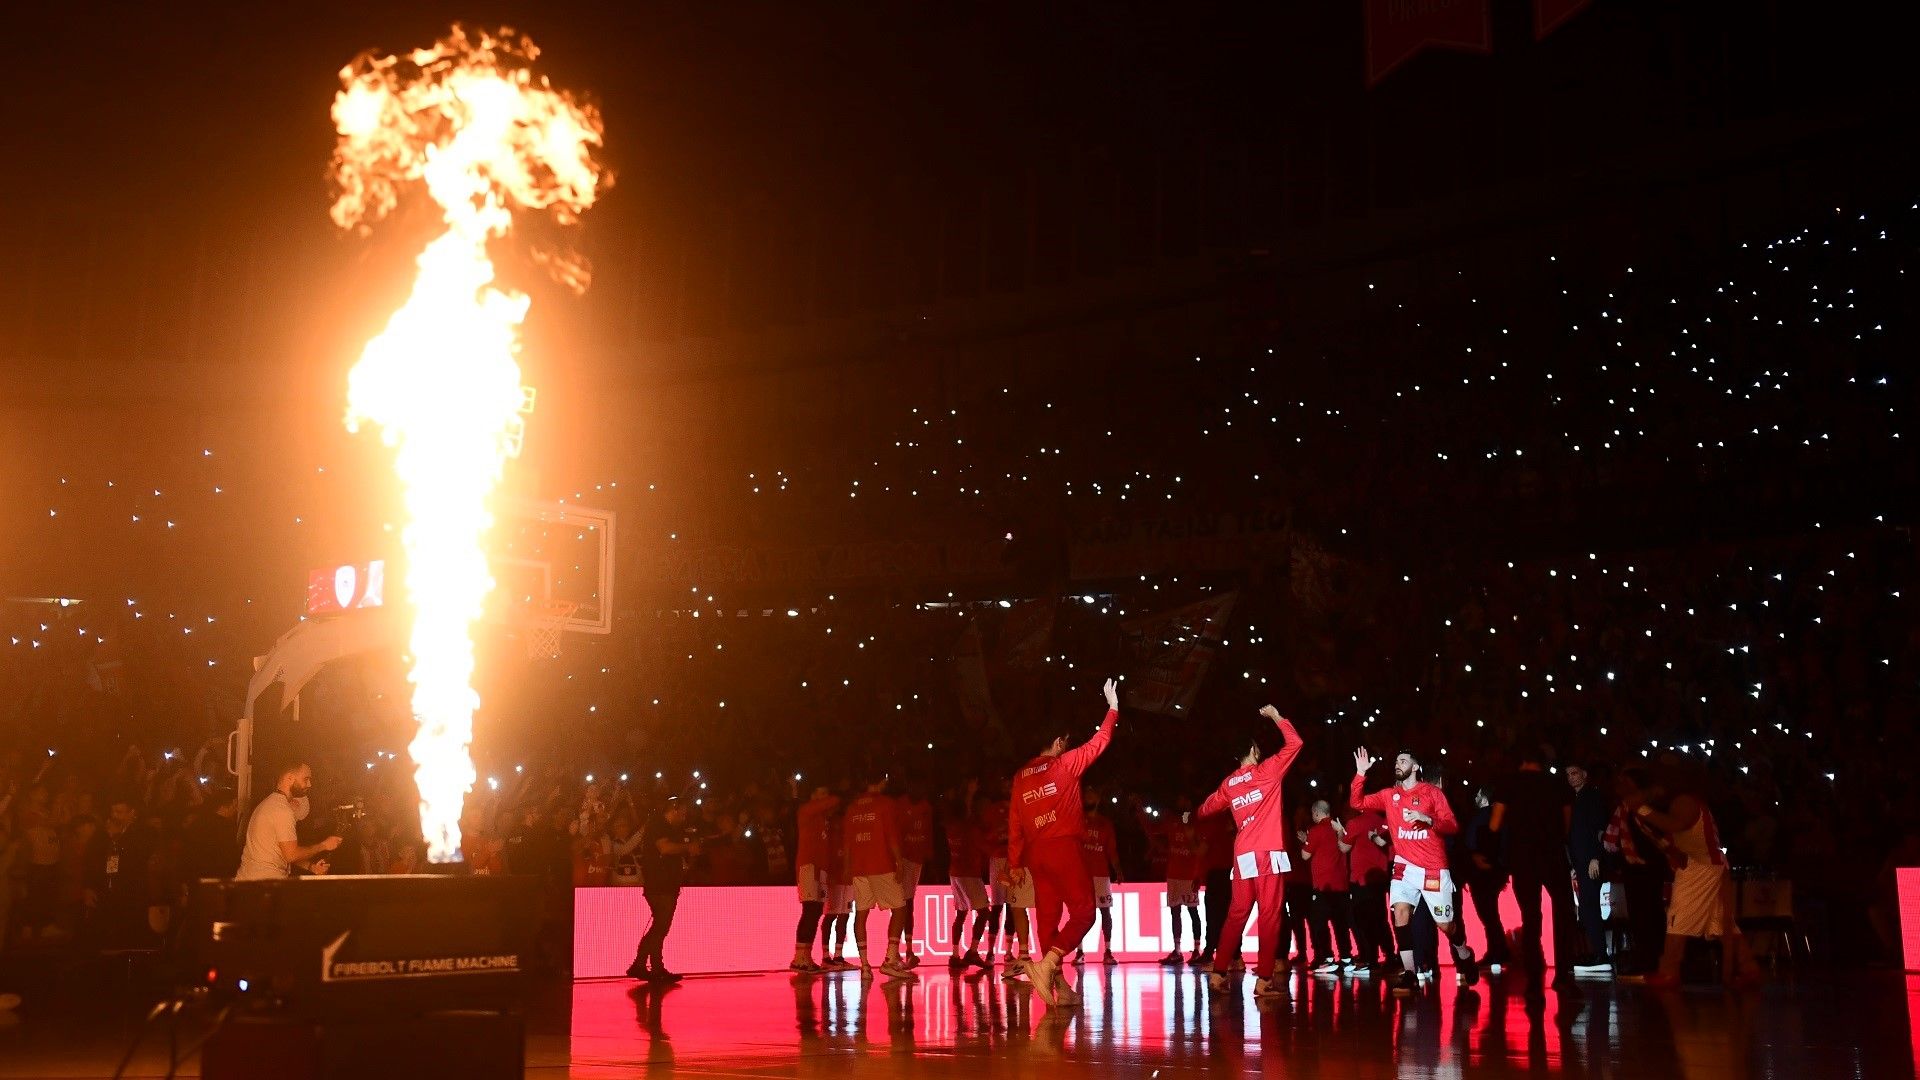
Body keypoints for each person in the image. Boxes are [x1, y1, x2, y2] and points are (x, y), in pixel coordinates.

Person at [1007, 678, 1120, 1006]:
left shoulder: (1019, 776)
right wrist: (1112, 709)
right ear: (1058, 742)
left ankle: (1061, 987)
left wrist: (1014, 865)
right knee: (1085, 913)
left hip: (1034, 855)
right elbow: (1100, 741)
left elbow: (1014, 825)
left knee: (1048, 920)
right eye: (1065, 742)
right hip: (1063, 850)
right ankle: (1049, 964)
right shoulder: (1064, 765)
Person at [1349, 747, 1480, 996]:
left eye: (1403, 760)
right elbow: (1356, 802)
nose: (1398, 764)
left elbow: (1452, 825)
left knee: (1445, 925)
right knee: (1400, 912)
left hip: (1432, 868)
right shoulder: (1390, 795)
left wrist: (1429, 820)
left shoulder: (1432, 793)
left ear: (1416, 767)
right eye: (1396, 760)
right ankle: (1409, 972)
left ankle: (1464, 952)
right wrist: (1360, 774)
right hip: (1404, 866)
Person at [1199, 705, 1305, 1000]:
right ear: (1253, 750)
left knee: (1236, 914)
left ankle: (1219, 973)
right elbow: (1296, 743)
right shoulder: (1268, 770)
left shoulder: (1230, 783)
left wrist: (1193, 814)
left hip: (1243, 855)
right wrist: (1276, 717)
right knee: (1270, 916)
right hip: (1268, 854)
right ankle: (1264, 980)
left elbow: (1207, 808)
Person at [1625, 775, 1757, 989]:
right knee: (1719, 921)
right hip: (1706, 864)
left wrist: (1642, 809)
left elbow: (1677, 825)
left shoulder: (1684, 801)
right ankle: (1748, 967)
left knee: (1679, 914)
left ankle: (1669, 971)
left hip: (1701, 866)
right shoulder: (1687, 800)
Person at [1488, 745, 1580, 990]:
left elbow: (1495, 825)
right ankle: (1563, 973)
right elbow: (1567, 824)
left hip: (1522, 857)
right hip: (1552, 855)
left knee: (1531, 915)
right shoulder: (1558, 784)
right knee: (1563, 912)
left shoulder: (1508, 784)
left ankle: (1533, 973)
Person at [845, 771, 915, 980]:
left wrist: (848, 867)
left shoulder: (852, 807)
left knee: (862, 914)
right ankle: (891, 960)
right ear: (883, 781)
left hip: (859, 867)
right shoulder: (886, 803)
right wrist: (899, 861)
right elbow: (891, 835)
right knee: (900, 909)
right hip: (881, 864)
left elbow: (847, 842)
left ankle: (865, 966)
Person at [1604, 767, 1670, 977]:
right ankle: (1648, 957)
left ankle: (1652, 958)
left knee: (1649, 912)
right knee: (1641, 913)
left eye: (1626, 782)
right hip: (1634, 867)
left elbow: (1656, 835)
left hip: (1649, 865)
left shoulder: (1641, 805)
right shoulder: (1624, 807)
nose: (1621, 786)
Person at [627, 797, 701, 983]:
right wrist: (687, 847)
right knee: (661, 927)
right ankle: (652, 966)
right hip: (660, 885)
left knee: (659, 927)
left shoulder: (668, 828)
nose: (684, 817)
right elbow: (665, 848)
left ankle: (642, 964)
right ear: (673, 810)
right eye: (682, 812)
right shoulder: (658, 825)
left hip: (665, 884)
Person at [236, 762, 341, 881]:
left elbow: (283, 852)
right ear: (290, 778)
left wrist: (310, 867)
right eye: (306, 779)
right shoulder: (281, 810)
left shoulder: (272, 803)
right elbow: (291, 855)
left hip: (253, 880)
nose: (309, 784)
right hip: (263, 884)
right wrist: (324, 845)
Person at [83, 795, 157, 948]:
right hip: (106, 891)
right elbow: (91, 859)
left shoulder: (144, 832)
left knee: (129, 936)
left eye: (119, 812)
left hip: (132, 893)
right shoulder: (103, 833)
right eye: (113, 811)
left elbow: (138, 856)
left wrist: (117, 838)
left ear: (132, 813)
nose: (114, 816)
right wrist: (89, 886)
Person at [1456, 785, 1510, 975]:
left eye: (1478, 794)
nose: (1475, 797)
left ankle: (1497, 952)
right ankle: (1498, 950)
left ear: (1484, 798)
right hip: (1497, 872)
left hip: (1480, 873)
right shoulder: (1502, 817)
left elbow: (1470, 843)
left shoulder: (1478, 817)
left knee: (1488, 915)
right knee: (1492, 914)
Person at [1566, 761, 1613, 972]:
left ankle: (1601, 955)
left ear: (1584, 774)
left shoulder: (1592, 796)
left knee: (1590, 906)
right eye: (1568, 774)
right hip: (1582, 860)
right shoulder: (1576, 799)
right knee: (1587, 907)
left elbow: (1599, 828)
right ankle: (1597, 953)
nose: (1571, 777)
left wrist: (1596, 857)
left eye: (1574, 773)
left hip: (1590, 860)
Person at [1298, 799, 1354, 975]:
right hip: (1341, 885)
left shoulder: (1316, 831)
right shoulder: (1341, 829)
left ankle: (1327, 959)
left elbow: (1305, 856)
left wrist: (1306, 841)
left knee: (1319, 923)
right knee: (1341, 923)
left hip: (1323, 887)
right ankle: (1346, 958)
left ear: (1315, 813)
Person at [790, 784, 841, 972]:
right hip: (808, 866)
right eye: (820, 793)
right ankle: (799, 957)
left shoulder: (824, 818)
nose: (824, 798)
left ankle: (806, 956)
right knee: (810, 910)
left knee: (816, 911)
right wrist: (836, 796)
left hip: (821, 869)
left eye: (826, 793)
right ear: (812, 795)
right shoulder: (806, 811)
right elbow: (835, 800)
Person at [1341, 802, 1392, 975]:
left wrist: (1339, 831)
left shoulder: (1355, 823)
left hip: (1362, 878)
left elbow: (1343, 847)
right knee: (1380, 917)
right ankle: (1389, 955)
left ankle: (1370, 959)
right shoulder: (1386, 821)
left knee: (1363, 919)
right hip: (1380, 877)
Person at [944, 785, 992, 968]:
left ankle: (954, 955)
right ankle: (972, 951)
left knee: (961, 913)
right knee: (984, 912)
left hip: (955, 873)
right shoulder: (970, 828)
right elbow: (985, 846)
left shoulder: (951, 826)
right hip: (969, 875)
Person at [1074, 794, 1121, 965]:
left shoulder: (1105, 823)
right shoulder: (1077, 820)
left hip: (1101, 875)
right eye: (1087, 794)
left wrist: (1118, 870)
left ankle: (1108, 951)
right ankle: (1079, 952)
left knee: (1105, 912)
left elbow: (1112, 850)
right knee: (1079, 913)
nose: (1089, 798)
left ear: (1098, 799)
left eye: (1092, 793)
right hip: (1081, 874)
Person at [1159, 800, 1204, 965]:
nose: (1183, 808)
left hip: (1189, 876)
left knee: (1193, 912)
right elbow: (1154, 833)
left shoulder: (1194, 827)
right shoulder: (1171, 824)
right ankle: (1177, 951)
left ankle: (1197, 950)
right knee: (1175, 913)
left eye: (1186, 804)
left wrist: (1198, 875)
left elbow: (1199, 853)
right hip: (1173, 876)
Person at [1194, 795, 1234, 969]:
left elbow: (1201, 851)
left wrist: (1190, 841)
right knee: (1229, 915)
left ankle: (1211, 953)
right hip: (1231, 873)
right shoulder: (1231, 821)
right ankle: (1233, 956)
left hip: (1217, 874)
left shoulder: (1213, 824)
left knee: (1213, 915)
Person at [897, 783, 934, 968]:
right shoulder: (900, 805)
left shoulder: (926, 807)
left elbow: (927, 834)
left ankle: (908, 950)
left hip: (916, 861)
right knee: (900, 905)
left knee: (908, 903)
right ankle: (896, 951)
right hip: (901, 861)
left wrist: (927, 856)